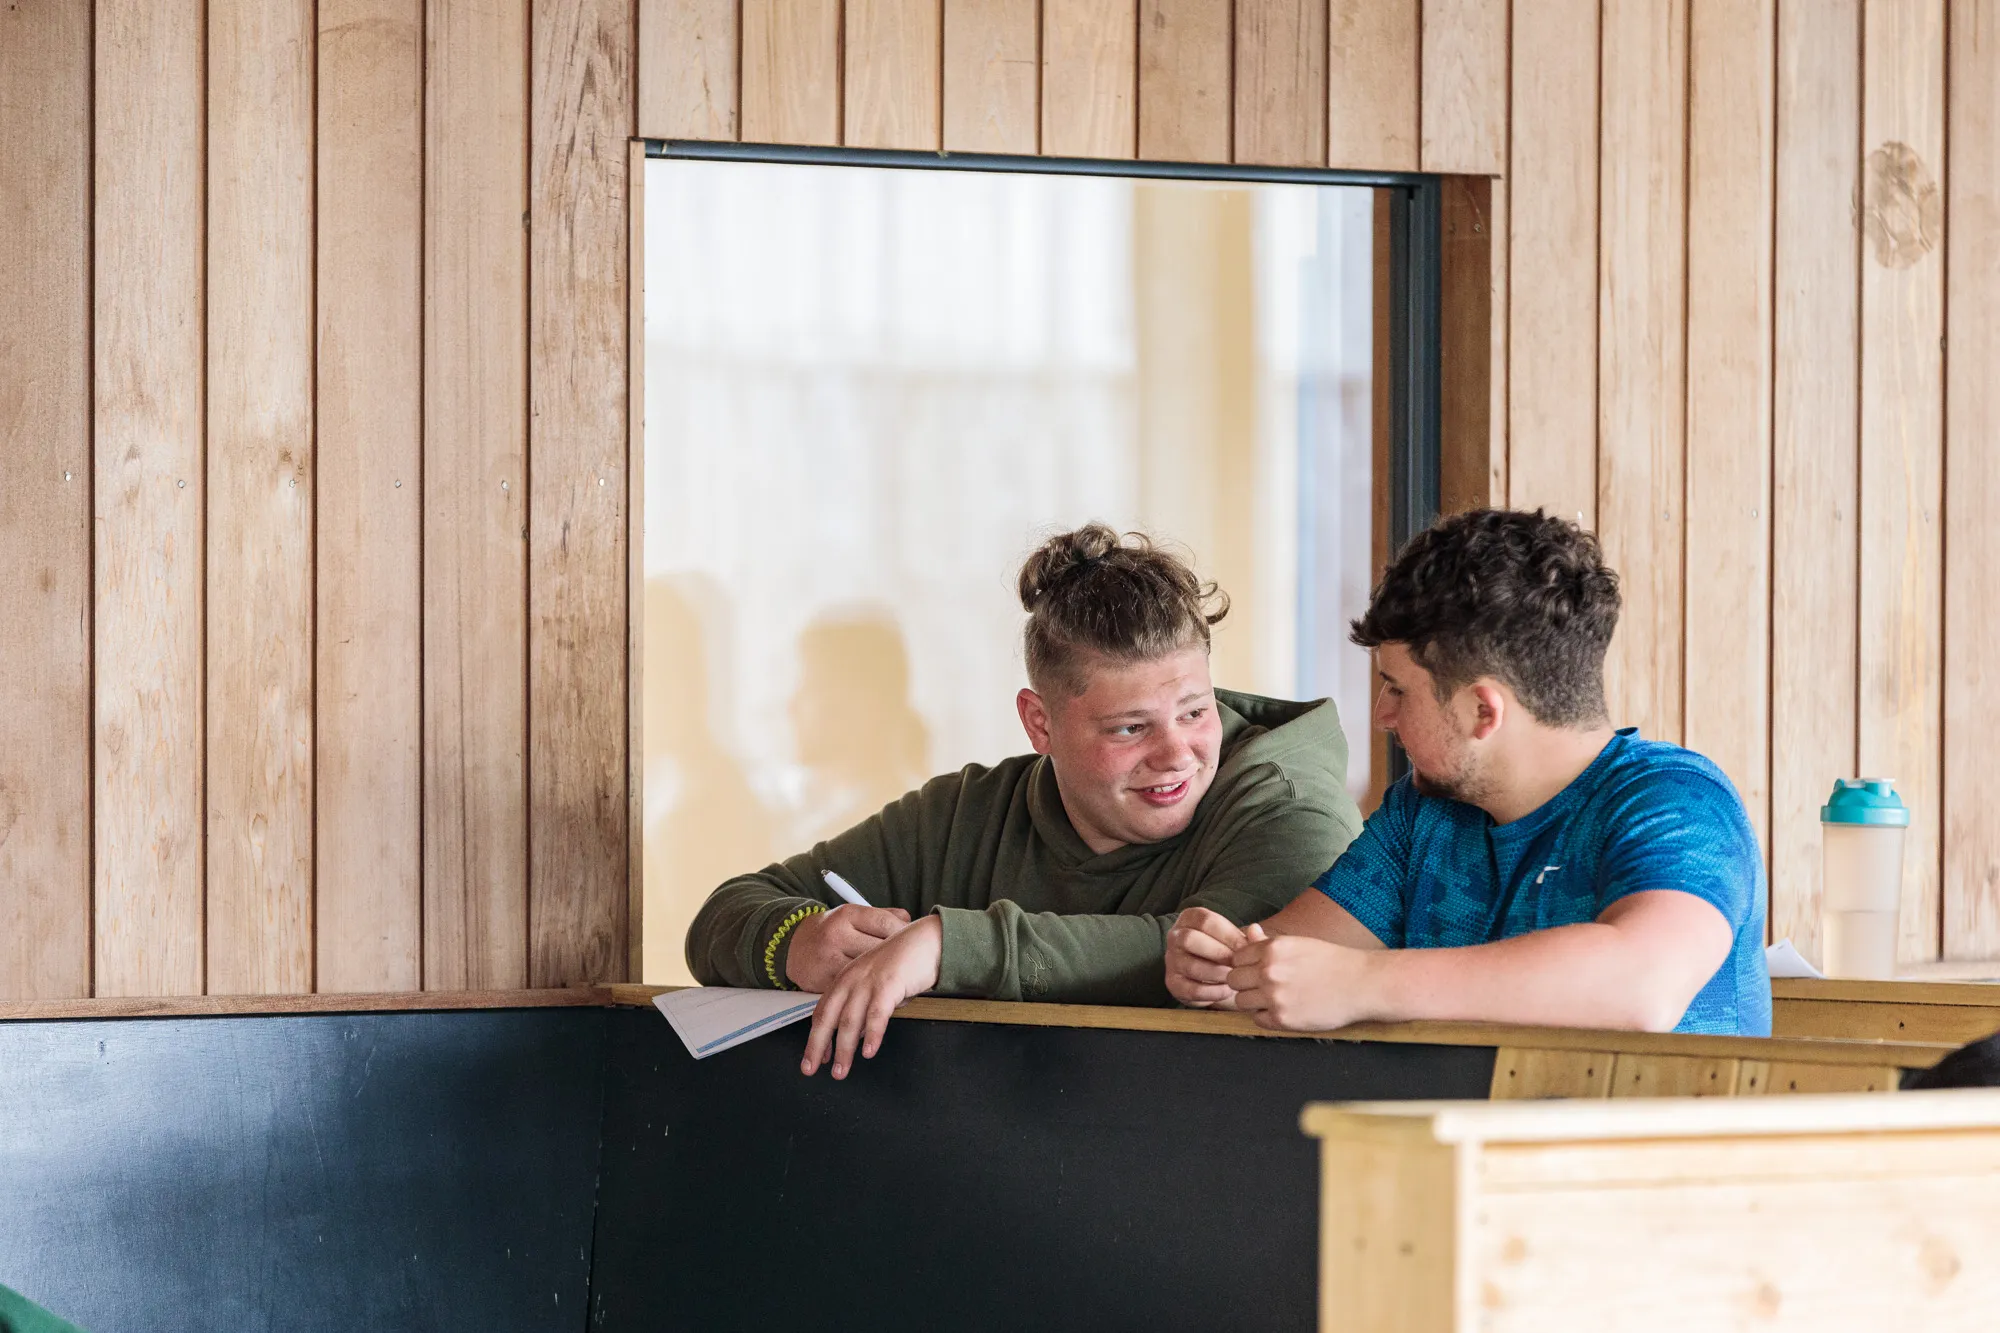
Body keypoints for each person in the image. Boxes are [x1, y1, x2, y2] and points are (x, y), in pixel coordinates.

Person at [685, 524, 1362, 1078]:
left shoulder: (1288, 802)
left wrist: (948, 945)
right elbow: (725, 913)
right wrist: (796, 941)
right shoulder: (968, 813)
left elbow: (1218, 957)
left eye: (1193, 710)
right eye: (1130, 728)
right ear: (1039, 723)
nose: (1176, 752)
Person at [1167, 507, 1771, 1037]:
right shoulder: (1420, 814)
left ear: (1483, 710)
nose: (1382, 715)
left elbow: (1644, 983)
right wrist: (1218, 968)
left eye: (1398, 689)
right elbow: (1282, 968)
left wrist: (1365, 983)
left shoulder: (1677, 799)